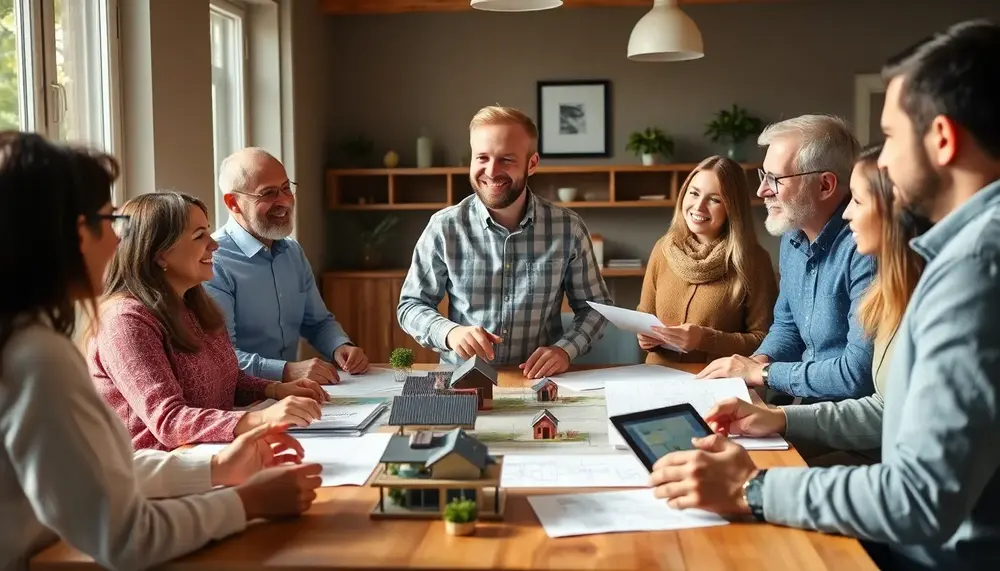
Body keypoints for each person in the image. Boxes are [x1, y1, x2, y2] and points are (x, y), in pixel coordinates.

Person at [648, 19, 1000, 570]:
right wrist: (767, 390)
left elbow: (921, 496)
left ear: (942, 140)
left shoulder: (974, 268)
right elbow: (894, 414)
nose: (878, 163)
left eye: (892, 137)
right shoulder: (956, 252)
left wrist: (754, 490)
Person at [0, 131, 322, 571]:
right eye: (108, 222)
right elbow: (126, 536)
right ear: (72, 234)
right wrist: (246, 502)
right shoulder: (38, 358)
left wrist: (215, 470)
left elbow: (103, 472)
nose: (117, 243)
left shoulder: (29, 342)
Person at [87, 192, 327, 451]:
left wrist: (276, 390)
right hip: (157, 477)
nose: (214, 245)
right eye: (199, 235)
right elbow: (170, 422)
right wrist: (263, 417)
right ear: (160, 254)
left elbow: (229, 382)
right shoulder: (125, 322)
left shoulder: (194, 306)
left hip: (211, 456)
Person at [397, 105, 612, 379]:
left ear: (531, 164)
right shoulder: (444, 227)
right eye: (482, 158)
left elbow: (595, 309)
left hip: (538, 382)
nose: (491, 171)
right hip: (461, 378)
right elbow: (411, 306)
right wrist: (450, 333)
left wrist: (564, 350)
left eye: (506, 160)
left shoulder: (568, 228)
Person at [697, 114, 875, 403]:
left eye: (775, 179)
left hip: (847, 425)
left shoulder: (865, 250)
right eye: (763, 176)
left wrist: (763, 374)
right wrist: (755, 363)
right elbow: (787, 327)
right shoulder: (792, 239)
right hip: (805, 407)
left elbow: (856, 374)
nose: (762, 190)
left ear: (825, 185)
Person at [205, 147, 369, 385]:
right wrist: (286, 371)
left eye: (285, 188)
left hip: (291, 398)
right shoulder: (214, 261)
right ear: (233, 202)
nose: (283, 201)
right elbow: (222, 358)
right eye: (268, 193)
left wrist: (339, 346)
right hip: (241, 405)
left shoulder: (292, 252)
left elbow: (318, 322)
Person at [636, 155, 778, 364]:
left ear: (732, 207)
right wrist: (643, 336)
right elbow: (644, 314)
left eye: (714, 199)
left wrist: (705, 339)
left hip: (717, 382)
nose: (699, 206)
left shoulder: (753, 260)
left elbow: (764, 340)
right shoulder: (663, 248)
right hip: (657, 377)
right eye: (694, 193)